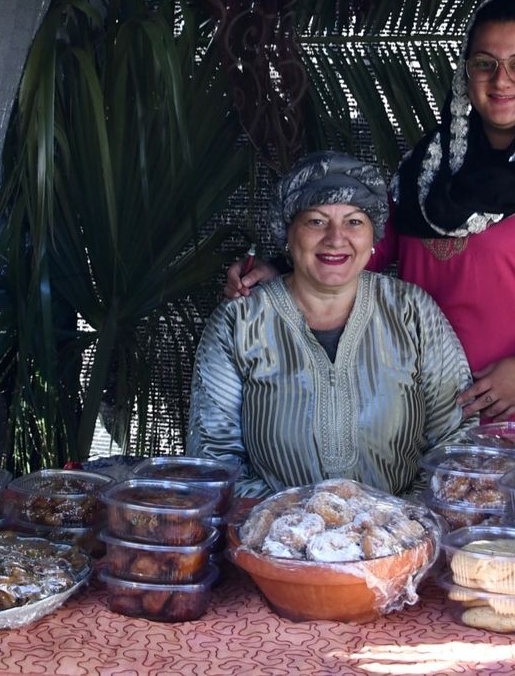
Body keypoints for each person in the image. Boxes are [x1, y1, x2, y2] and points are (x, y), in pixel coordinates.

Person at [227, 0, 515, 443]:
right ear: (465, 73)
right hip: (434, 422)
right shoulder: (426, 170)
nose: (501, 79)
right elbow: (368, 244)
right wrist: (281, 269)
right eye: (484, 63)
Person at [189, 152, 474, 498]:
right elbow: (213, 458)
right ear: (287, 234)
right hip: (271, 541)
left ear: (374, 238)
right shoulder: (240, 323)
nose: (336, 238)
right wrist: (291, 525)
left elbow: (456, 442)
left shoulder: (412, 313)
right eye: (316, 222)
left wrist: (402, 521)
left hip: (405, 538)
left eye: (354, 221)